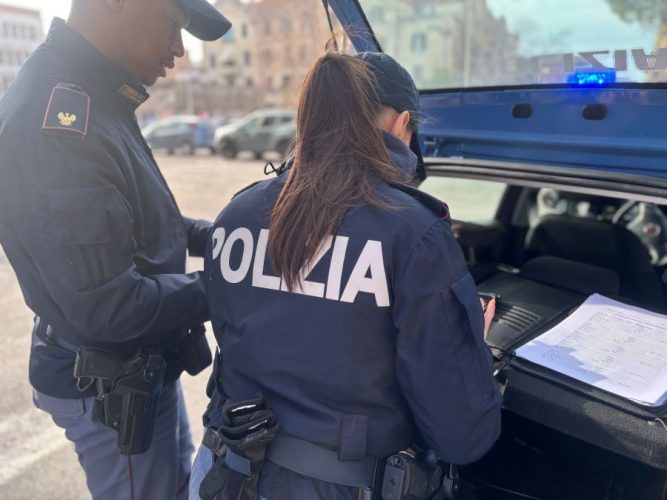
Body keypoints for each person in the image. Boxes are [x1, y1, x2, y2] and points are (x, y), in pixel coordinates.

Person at [191, 51, 502, 499]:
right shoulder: (414, 233)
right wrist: (470, 345)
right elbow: (462, 435)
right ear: (402, 124)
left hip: (221, 473)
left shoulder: (236, 215)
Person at [0, 1, 231, 498]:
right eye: (172, 25)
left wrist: (231, 238)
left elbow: (145, 223)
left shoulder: (95, 94)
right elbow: (108, 304)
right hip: (114, 383)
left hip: (139, 364)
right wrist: (235, 283)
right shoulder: (61, 123)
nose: (179, 50)